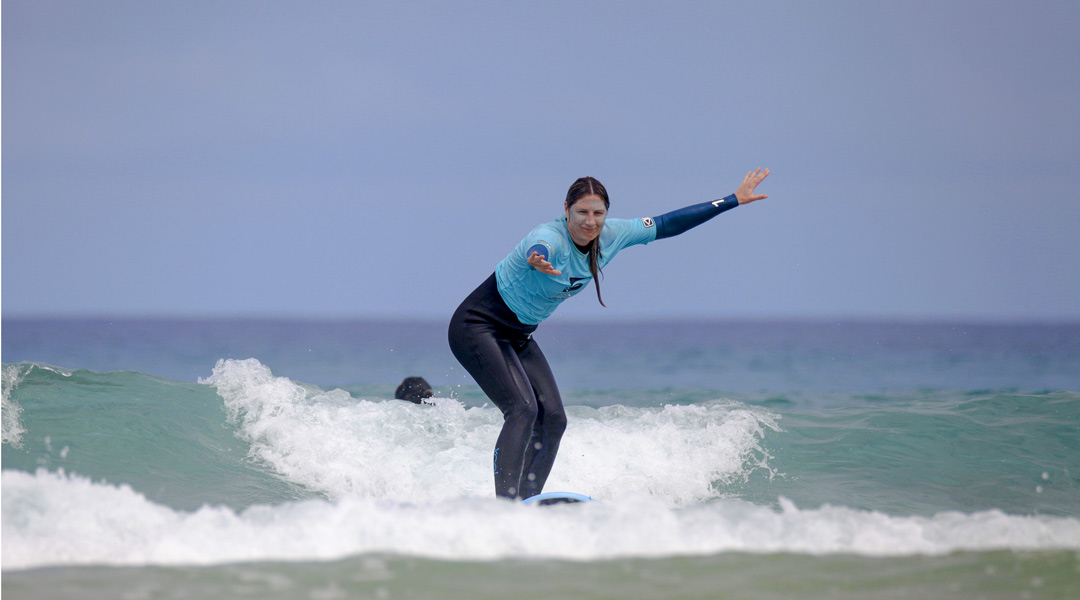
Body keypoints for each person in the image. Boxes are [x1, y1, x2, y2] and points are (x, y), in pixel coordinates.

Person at [448, 169, 771, 500]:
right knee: (522, 409)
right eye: (582, 212)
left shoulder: (615, 234)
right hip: (477, 326)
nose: (590, 221)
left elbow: (668, 223)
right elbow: (538, 247)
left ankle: (528, 500)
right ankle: (505, 503)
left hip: (518, 335)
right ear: (566, 210)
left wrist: (731, 200)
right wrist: (538, 259)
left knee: (554, 420)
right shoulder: (550, 237)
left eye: (598, 213)